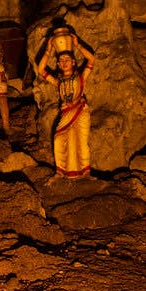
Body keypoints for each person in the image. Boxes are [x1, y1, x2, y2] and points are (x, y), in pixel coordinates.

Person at [35, 28, 95, 179]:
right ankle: (60, 171)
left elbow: (91, 60)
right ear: (58, 64)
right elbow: (41, 70)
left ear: (73, 62)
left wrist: (77, 45)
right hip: (66, 113)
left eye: (67, 60)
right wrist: (48, 50)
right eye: (61, 61)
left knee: (82, 142)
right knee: (58, 140)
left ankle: (86, 173)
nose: (64, 63)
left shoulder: (80, 77)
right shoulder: (58, 81)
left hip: (80, 111)